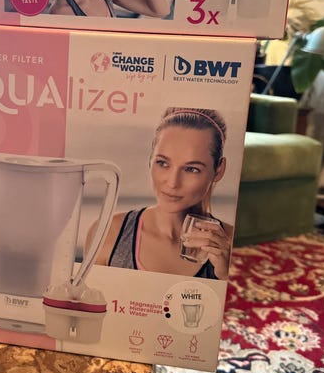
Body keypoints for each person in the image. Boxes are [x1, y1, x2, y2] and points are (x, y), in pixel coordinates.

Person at [87, 108, 232, 280]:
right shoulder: (106, 232)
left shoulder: (231, 243)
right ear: (150, 160)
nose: (172, 182)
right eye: (163, 163)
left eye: (191, 169)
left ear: (219, 170)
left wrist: (226, 276)